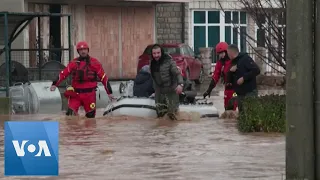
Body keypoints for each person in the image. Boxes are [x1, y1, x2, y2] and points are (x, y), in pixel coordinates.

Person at [50, 41, 114, 118]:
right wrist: (54, 84)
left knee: (90, 118)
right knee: (70, 116)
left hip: (90, 94)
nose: (83, 51)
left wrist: (109, 93)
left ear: (88, 50)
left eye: (85, 49)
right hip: (76, 94)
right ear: (78, 51)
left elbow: (104, 78)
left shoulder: (95, 63)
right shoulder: (73, 63)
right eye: (81, 50)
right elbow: (63, 74)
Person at [150, 44, 184, 120]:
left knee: (173, 116)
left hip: (171, 90)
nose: (156, 55)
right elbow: (153, 79)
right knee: (160, 116)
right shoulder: (152, 63)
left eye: (158, 53)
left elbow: (177, 73)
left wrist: (180, 84)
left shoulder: (169, 61)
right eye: (154, 53)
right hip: (159, 93)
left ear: (161, 52)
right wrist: (154, 91)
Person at [202, 42, 237, 110]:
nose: (221, 55)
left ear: (227, 52)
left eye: (222, 53)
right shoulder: (220, 63)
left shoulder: (235, 60)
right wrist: (209, 90)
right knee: (227, 108)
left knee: (234, 106)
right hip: (227, 88)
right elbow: (215, 77)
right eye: (219, 54)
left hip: (236, 89)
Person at [226, 44, 260, 112]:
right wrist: (230, 72)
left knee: (250, 112)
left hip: (249, 92)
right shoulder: (233, 62)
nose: (227, 55)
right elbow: (229, 81)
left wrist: (244, 78)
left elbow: (256, 70)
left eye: (228, 53)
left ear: (231, 53)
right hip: (239, 93)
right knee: (242, 114)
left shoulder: (245, 59)